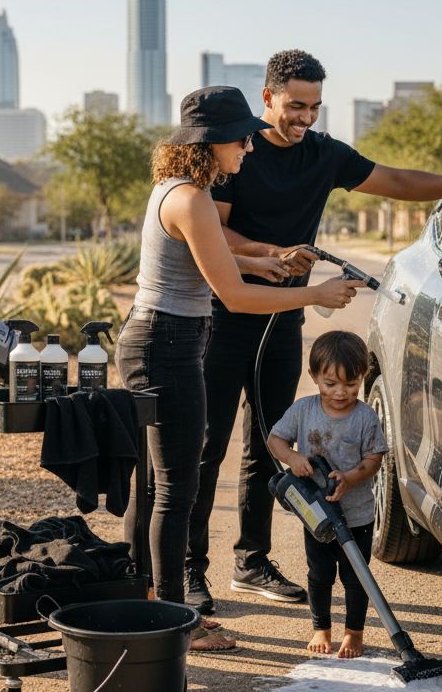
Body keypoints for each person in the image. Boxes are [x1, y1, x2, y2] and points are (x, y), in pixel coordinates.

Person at [185, 49, 442, 615]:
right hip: (224, 316)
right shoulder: (240, 153)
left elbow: (393, 179)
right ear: (268, 99)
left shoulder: (324, 155)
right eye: (294, 106)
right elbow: (215, 234)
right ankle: (190, 572)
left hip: (282, 321)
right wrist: (271, 254)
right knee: (206, 447)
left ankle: (250, 560)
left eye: (313, 106)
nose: (305, 117)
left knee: (268, 443)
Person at [116, 85, 364, 652]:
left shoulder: (178, 189)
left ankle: (149, 602)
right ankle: (174, 619)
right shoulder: (195, 199)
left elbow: (215, 260)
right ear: (212, 142)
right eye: (241, 140)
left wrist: (265, 259)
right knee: (176, 487)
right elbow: (233, 297)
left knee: (160, 484)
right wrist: (314, 294)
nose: (249, 148)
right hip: (167, 344)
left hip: (160, 337)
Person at [265, 331, 386, 659]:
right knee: (319, 575)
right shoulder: (304, 411)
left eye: (351, 384)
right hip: (316, 516)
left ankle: (354, 633)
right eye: (330, 383)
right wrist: (292, 458)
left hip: (357, 515)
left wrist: (349, 478)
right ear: (314, 376)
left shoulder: (365, 418)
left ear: (362, 377)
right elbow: (275, 440)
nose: (340, 392)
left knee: (355, 577)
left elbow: (374, 458)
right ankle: (321, 627)